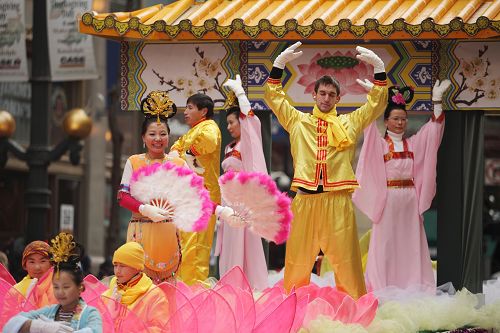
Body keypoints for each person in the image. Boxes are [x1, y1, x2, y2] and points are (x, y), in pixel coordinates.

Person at [264, 41, 388, 299]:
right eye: (322, 93)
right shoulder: (298, 121)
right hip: (305, 201)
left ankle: (355, 311)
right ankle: (292, 311)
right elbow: (274, 98)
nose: (326, 98)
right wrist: (277, 67)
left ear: (338, 98)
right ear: (314, 94)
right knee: (297, 260)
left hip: (337, 201)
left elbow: (375, 106)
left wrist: (379, 70)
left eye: (332, 94)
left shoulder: (349, 123)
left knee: (347, 261)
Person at [353, 80, 451, 291]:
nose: (400, 123)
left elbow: (433, 131)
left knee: (411, 245)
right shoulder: (379, 144)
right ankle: (382, 286)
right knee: (386, 244)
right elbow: (368, 125)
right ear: (386, 121)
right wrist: (372, 98)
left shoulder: (413, 143)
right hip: (388, 200)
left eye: (403, 119)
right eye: (395, 118)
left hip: (409, 201)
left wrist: (436, 101)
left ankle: (414, 285)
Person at [117, 90, 184, 284]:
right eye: (152, 134)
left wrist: (222, 210)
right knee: (137, 287)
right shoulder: (134, 162)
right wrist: (144, 209)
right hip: (141, 230)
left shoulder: (177, 164)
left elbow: (198, 196)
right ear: (143, 138)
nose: (158, 139)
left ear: (169, 137)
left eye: (163, 134)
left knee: (168, 291)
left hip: (168, 234)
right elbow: (122, 196)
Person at [213, 75, 268, 290]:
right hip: (229, 202)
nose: (228, 127)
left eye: (231, 122)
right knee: (230, 246)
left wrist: (241, 94)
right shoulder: (229, 149)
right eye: (226, 123)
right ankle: (229, 286)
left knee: (244, 245)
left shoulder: (248, 141)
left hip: (244, 202)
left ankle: (245, 287)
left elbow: (251, 121)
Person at [4, 233, 102, 333]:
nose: (60, 292)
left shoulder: (90, 314)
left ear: (80, 287)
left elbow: (94, 330)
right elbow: (10, 325)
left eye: (66, 287)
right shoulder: (50, 311)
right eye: (55, 287)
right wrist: (36, 326)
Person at [170, 93, 222, 285]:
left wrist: (188, 153)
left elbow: (207, 142)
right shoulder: (191, 131)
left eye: (191, 107)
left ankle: (195, 290)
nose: (186, 111)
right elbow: (175, 149)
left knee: (197, 247)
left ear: (204, 111)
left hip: (203, 196)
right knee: (186, 245)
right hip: (188, 197)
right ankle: (185, 286)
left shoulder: (209, 127)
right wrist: (182, 153)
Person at [102, 242, 169, 332]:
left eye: (122, 266)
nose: (117, 271)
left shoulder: (154, 295)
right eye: (115, 265)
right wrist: (108, 317)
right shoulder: (107, 295)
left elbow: (161, 329)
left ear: (136, 267)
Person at [13, 241, 57, 308]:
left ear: (52, 264)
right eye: (32, 262)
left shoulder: (61, 287)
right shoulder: (15, 291)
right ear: (25, 265)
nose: (37, 267)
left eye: (43, 261)